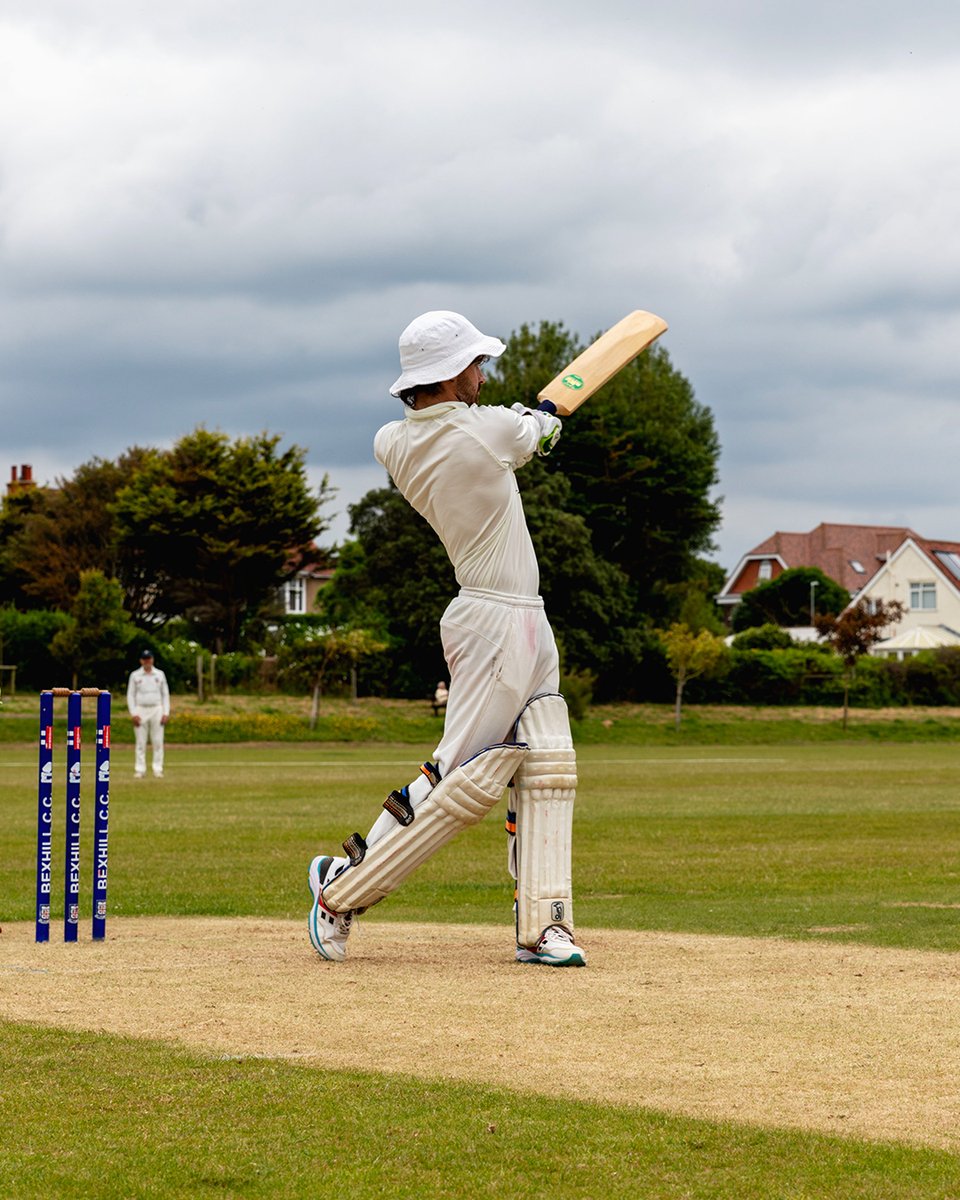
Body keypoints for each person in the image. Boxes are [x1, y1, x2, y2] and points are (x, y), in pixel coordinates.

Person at [308, 310, 585, 967]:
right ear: (451, 371)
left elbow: (510, 432)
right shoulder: (486, 429)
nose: (482, 377)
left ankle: (543, 924)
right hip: (491, 620)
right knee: (461, 781)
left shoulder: (394, 442)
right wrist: (541, 416)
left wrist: (530, 419)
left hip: (524, 613)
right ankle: (339, 892)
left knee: (549, 765)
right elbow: (535, 433)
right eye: (475, 365)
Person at [127, 649, 170, 778]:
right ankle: (140, 769)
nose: (147, 661)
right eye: (145, 659)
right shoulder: (135, 675)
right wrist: (133, 713)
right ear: (141, 661)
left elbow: (165, 694)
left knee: (158, 741)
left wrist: (166, 712)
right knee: (141, 742)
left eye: (149, 658)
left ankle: (158, 769)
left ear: (152, 659)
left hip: (157, 709)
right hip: (141, 709)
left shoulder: (160, 674)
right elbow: (130, 695)